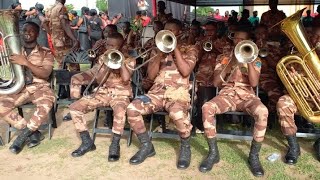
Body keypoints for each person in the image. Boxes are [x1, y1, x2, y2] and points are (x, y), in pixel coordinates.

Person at [126, 19, 198, 169]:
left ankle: (185, 147)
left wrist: (175, 48)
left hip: (178, 93)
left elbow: (185, 71)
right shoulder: (156, 50)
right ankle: (146, 146)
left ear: (179, 32)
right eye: (166, 30)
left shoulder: (190, 49)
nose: (168, 33)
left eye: (172, 31)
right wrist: (159, 54)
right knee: (132, 109)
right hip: (157, 92)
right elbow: (151, 77)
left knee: (177, 113)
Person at [200, 28, 268, 177]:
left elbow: (254, 83)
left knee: (262, 111)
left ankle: (254, 156)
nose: (238, 42)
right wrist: (230, 62)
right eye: (236, 39)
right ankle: (213, 153)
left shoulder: (256, 59)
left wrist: (248, 60)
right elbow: (217, 83)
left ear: (249, 42)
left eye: (242, 40)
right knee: (207, 107)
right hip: (227, 95)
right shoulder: (223, 58)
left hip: (247, 96)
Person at [69, 33, 136, 161]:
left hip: (120, 94)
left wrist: (119, 61)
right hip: (102, 92)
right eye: (108, 44)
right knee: (74, 108)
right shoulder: (102, 58)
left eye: (112, 45)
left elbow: (126, 79)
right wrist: (107, 64)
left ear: (121, 46)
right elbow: (99, 79)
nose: (109, 47)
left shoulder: (130, 60)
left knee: (120, 111)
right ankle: (87, 142)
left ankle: (115, 144)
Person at [0, 22, 55, 154]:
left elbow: (45, 74)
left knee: (46, 103)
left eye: (31, 31)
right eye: (24, 30)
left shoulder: (46, 52)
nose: (27, 33)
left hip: (39, 87)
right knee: (1, 105)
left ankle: (21, 138)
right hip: (20, 88)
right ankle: (33, 133)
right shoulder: (13, 51)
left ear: (37, 34)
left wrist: (25, 62)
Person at [45, 0, 80, 70]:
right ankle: (76, 80)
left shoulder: (50, 9)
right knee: (73, 64)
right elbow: (65, 24)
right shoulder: (61, 8)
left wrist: (52, 35)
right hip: (65, 42)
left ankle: (61, 80)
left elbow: (44, 24)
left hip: (56, 41)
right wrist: (74, 39)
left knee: (61, 63)